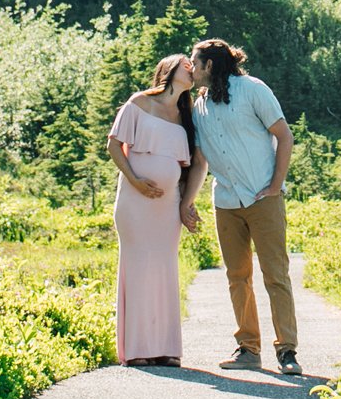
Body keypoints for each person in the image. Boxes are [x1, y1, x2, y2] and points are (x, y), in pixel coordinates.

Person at [179, 37, 298, 375]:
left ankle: (287, 350)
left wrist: (275, 186)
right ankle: (248, 349)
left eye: (194, 62)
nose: (191, 67)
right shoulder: (199, 106)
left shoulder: (253, 89)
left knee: (275, 275)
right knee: (237, 277)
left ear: (210, 66)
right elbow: (200, 161)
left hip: (264, 198)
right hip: (226, 201)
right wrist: (187, 203)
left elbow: (284, 135)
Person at [108, 53, 199, 366]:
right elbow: (113, 145)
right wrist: (135, 180)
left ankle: (165, 348)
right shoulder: (139, 103)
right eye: (189, 65)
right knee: (137, 268)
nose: (194, 70)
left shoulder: (186, 116)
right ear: (172, 69)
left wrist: (186, 204)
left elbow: (188, 168)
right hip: (135, 201)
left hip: (167, 205)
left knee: (163, 270)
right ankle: (136, 350)